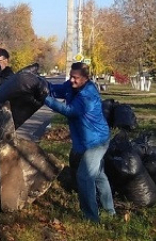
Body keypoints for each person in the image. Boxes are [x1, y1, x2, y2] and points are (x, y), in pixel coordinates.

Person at [44, 62, 115, 223]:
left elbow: (70, 111)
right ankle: (110, 211)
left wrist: (45, 99)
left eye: (75, 78)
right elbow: (56, 90)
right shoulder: (71, 87)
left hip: (96, 142)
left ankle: (91, 218)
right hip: (86, 141)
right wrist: (41, 85)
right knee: (98, 175)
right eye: (71, 76)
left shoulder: (88, 95)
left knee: (84, 176)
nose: (71, 80)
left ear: (85, 78)